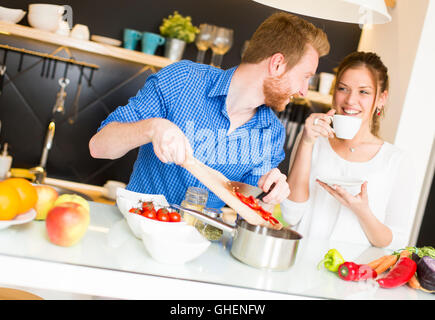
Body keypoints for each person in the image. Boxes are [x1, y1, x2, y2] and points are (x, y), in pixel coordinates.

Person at [89, 12, 330, 215]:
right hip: (137, 227)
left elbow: (249, 207)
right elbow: (99, 147)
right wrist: (153, 127)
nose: (303, 90)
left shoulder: (272, 133)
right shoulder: (182, 80)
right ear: (277, 64)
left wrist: (270, 191)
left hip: (198, 248)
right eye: (305, 76)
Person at [282, 51, 415, 248]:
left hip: (351, 275)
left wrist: (362, 211)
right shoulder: (314, 140)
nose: (350, 101)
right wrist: (307, 142)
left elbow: (396, 241)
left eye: (364, 92)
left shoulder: (396, 161)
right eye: (343, 88)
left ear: (381, 98)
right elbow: (290, 215)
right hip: (297, 264)